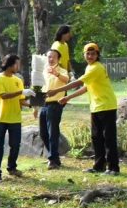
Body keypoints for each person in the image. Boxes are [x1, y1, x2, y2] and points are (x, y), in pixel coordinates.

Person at [48, 42, 120, 175]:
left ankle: (113, 168)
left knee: (108, 138)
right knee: (96, 137)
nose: (90, 56)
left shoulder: (96, 68)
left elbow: (78, 82)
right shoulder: (89, 67)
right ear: (84, 55)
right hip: (96, 107)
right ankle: (99, 166)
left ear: (97, 55)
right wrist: (68, 98)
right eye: (88, 53)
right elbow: (86, 87)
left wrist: (56, 90)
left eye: (93, 53)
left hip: (107, 106)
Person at [0, 54, 31, 182]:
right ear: (9, 64)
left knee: (15, 145)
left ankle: (12, 168)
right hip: (1, 117)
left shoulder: (18, 81)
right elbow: (3, 96)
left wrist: (33, 103)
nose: (18, 66)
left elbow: (20, 100)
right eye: (17, 63)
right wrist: (21, 92)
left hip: (15, 118)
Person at [39, 48, 70, 170]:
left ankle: (52, 159)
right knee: (43, 133)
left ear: (58, 59)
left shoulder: (62, 71)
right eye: (48, 57)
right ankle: (55, 157)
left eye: (53, 57)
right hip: (43, 104)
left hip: (56, 104)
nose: (50, 59)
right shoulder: (43, 71)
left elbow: (67, 80)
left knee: (53, 132)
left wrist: (56, 73)